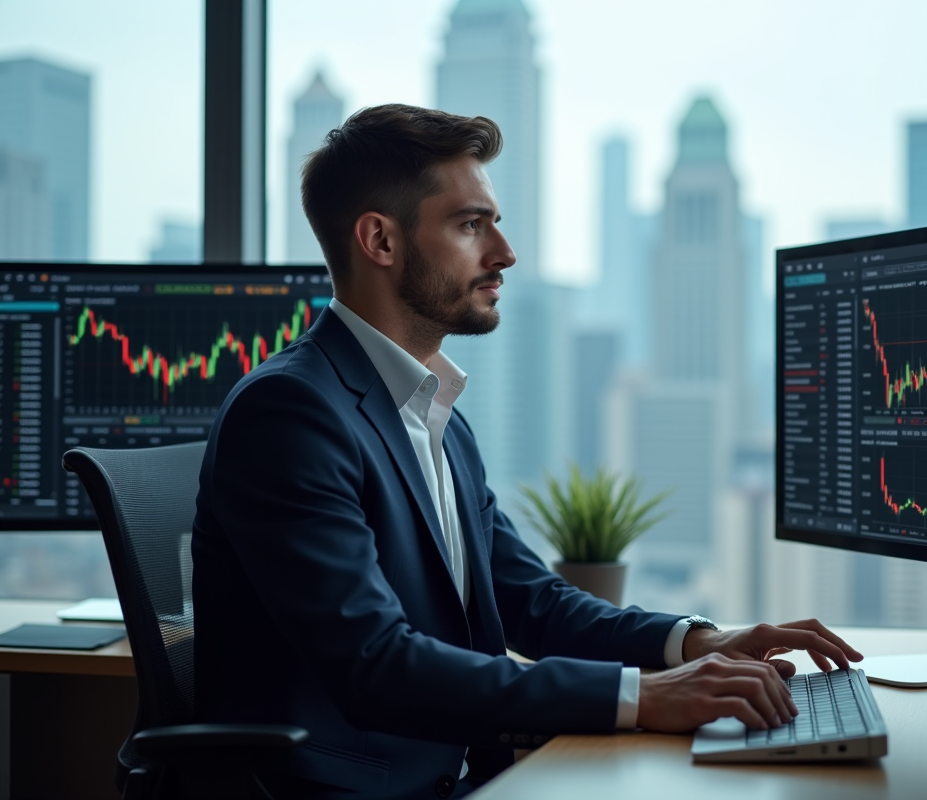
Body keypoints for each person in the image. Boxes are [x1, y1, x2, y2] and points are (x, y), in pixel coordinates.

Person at [191, 104, 862, 800]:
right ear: (380, 240)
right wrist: (645, 697)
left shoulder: (429, 409)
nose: (504, 253)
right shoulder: (291, 413)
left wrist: (695, 644)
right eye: (471, 225)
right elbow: (374, 664)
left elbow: (528, 602)